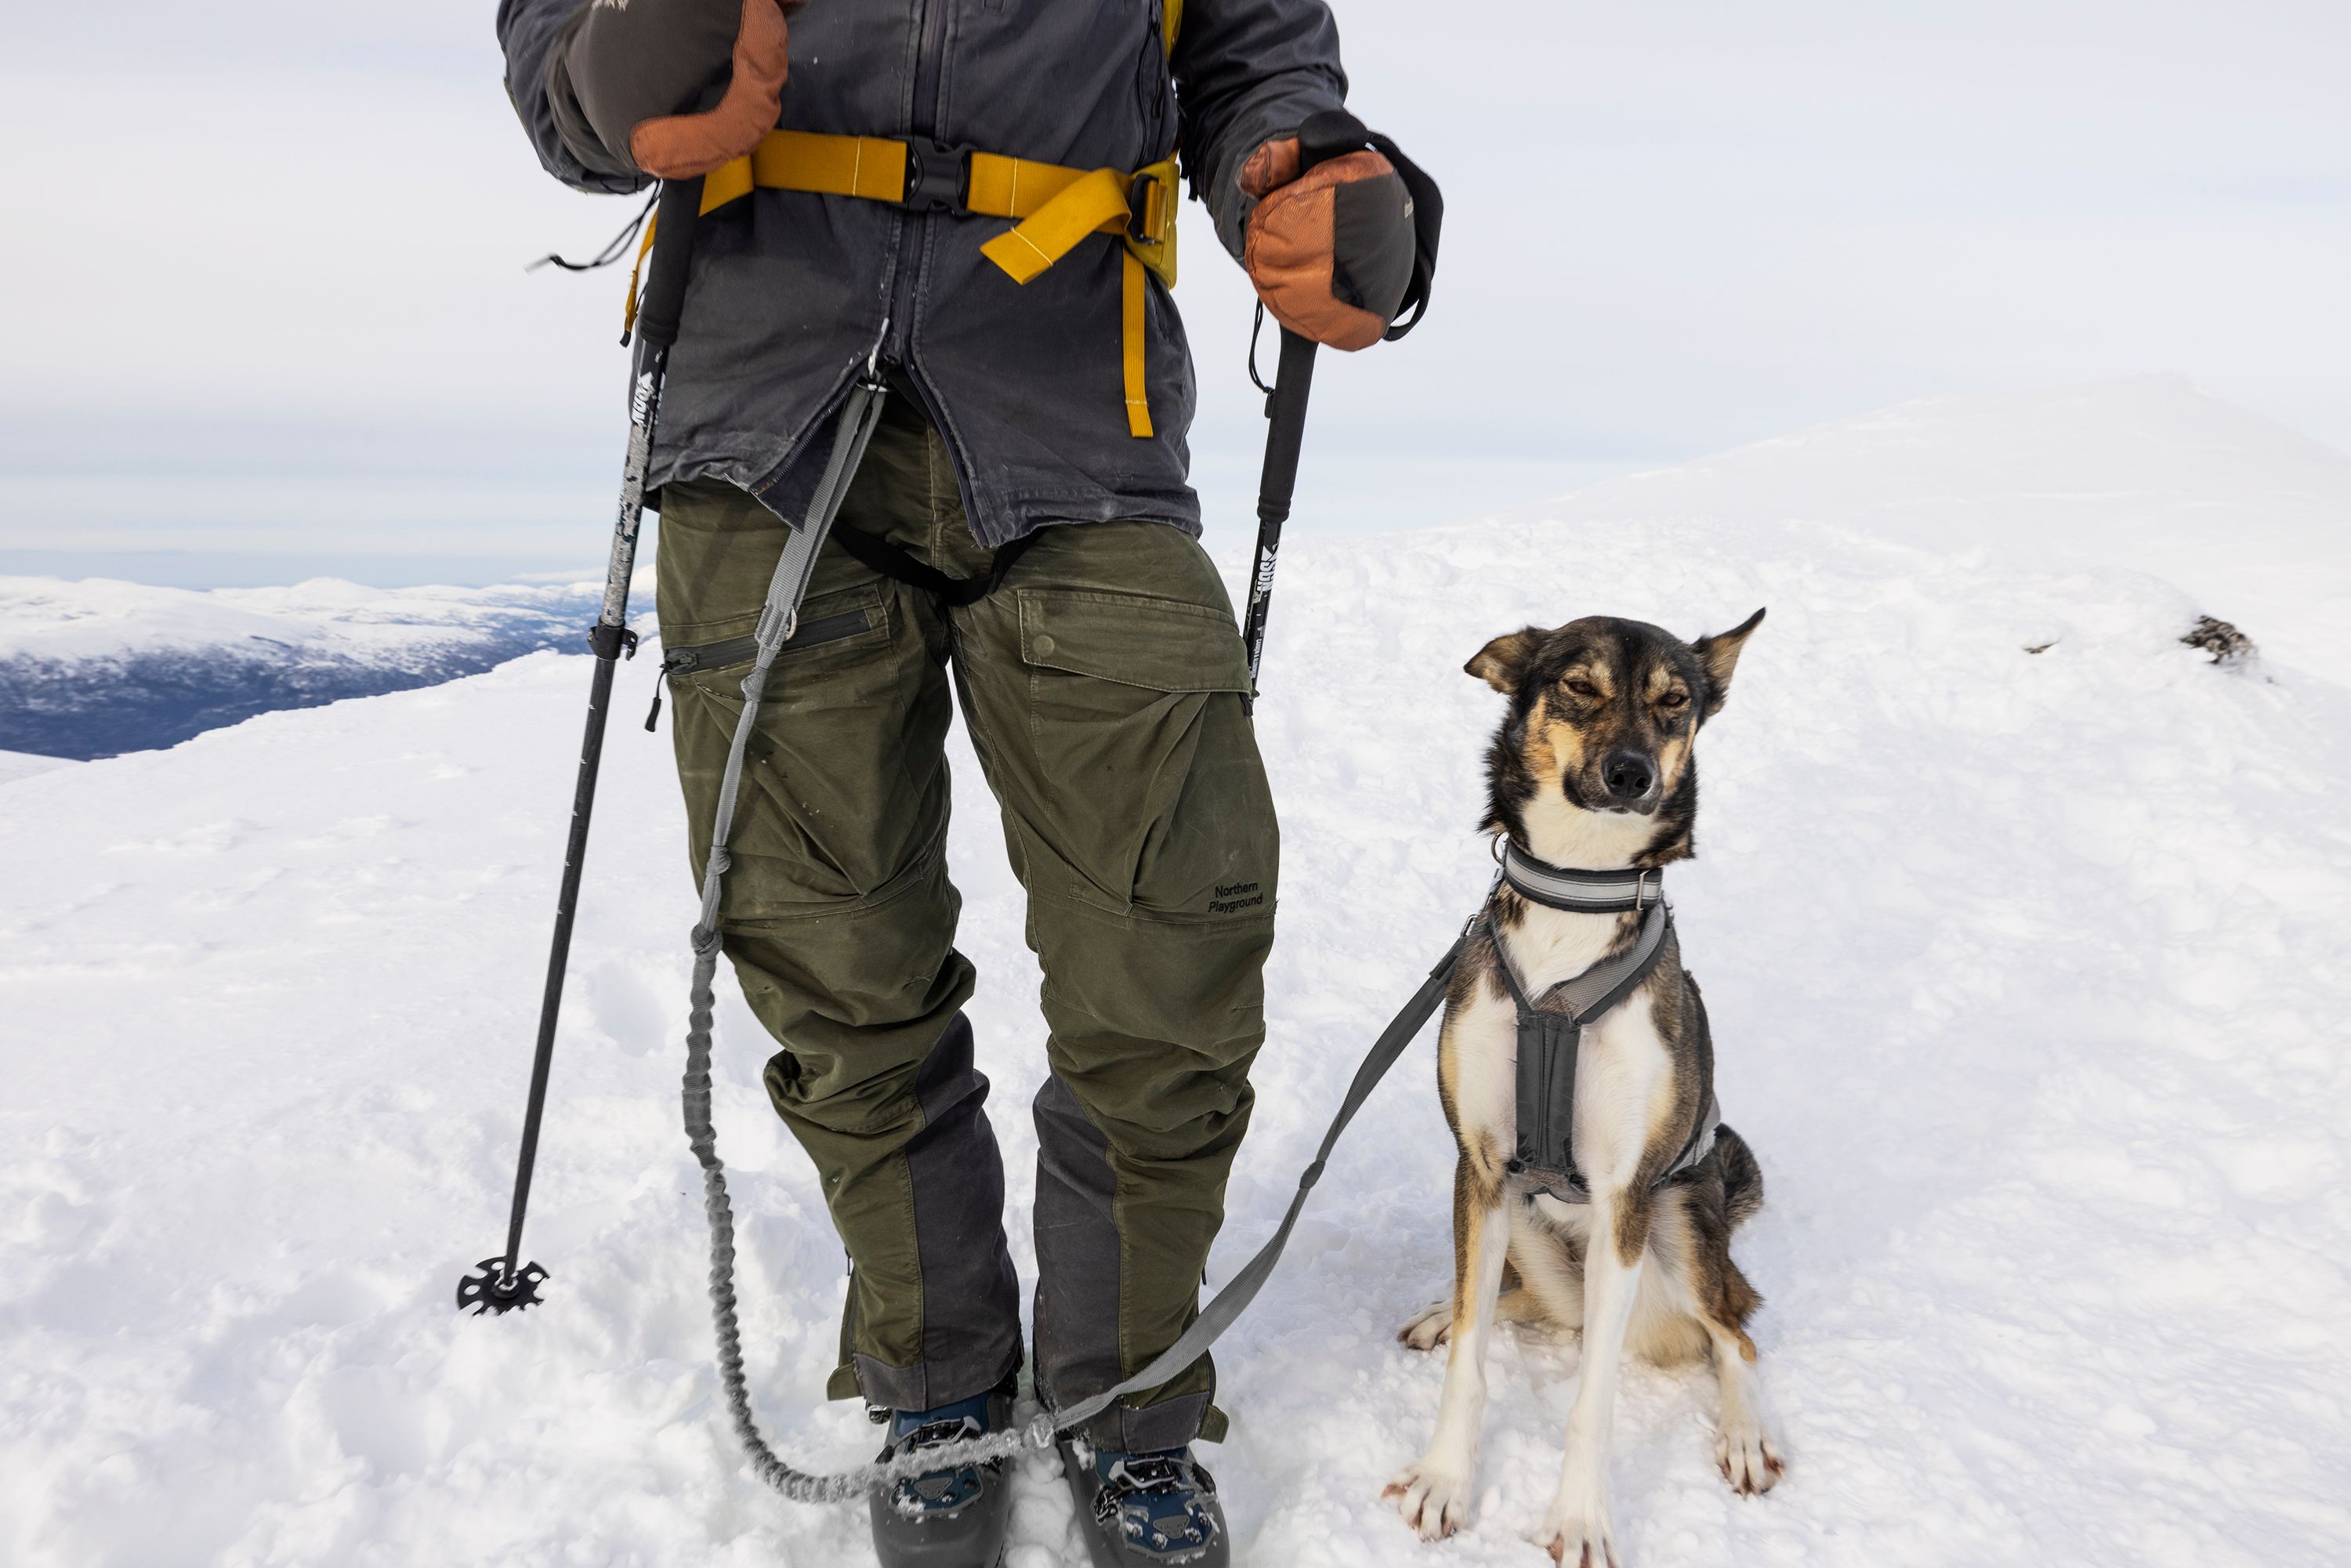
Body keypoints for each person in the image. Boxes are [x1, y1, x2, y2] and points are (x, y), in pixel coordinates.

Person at [494, 1, 1427, 1561]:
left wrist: (1298, 159)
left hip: (1079, 406)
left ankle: (1126, 1402)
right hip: (759, 402)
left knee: (1170, 951)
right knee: (832, 953)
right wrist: (611, 71)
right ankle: (940, 1382)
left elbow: (1254, 44)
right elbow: (567, 71)